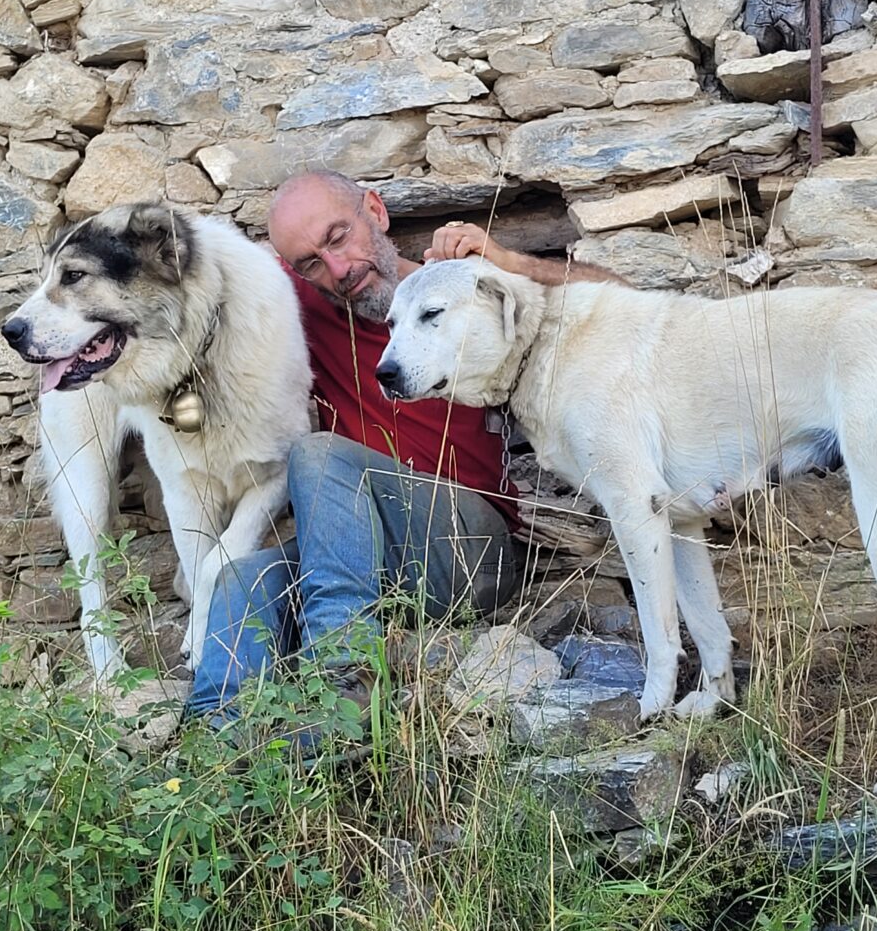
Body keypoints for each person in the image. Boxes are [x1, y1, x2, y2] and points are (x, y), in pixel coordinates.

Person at [183, 170, 617, 745]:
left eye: (339, 237)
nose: (338, 269)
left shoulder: (467, 290)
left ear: (376, 210)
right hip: (357, 554)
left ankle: (342, 686)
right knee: (244, 575)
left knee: (316, 455)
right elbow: (197, 281)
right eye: (311, 263)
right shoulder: (299, 304)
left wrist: (508, 262)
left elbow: (617, 300)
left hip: (470, 548)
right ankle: (212, 743)